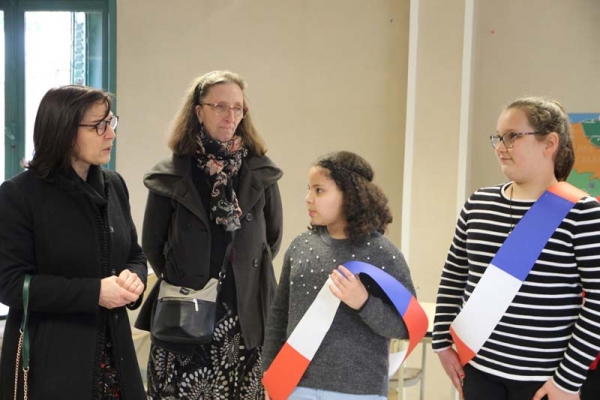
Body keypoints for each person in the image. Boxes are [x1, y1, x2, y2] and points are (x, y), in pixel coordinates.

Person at [432, 97, 600, 400]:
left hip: (545, 381)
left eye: (512, 136)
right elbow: (454, 276)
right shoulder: (478, 204)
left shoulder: (583, 212)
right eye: (497, 137)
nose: (500, 147)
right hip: (478, 373)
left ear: (549, 143)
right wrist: (442, 342)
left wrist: (567, 381)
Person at [139, 70, 283, 399]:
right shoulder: (171, 174)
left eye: (237, 108)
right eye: (219, 106)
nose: (230, 116)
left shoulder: (260, 172)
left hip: (245, 316)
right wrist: (187, 275)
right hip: (185, 314)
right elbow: (153, 245)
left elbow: (270, 240)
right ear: (198, 111)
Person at [0, 85, 147, 399]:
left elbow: (134, 254)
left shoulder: (114, 185)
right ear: (65, 132)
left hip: (116, 358)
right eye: (99, 126)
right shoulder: (19, 195)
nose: (111, 134)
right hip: (53, 365)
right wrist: (95, 293)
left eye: (111, 122)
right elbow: (10, 285)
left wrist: (134, 278)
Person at [262, 151, 416, 400]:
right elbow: (279, 315)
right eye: (309, 189)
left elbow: (406, 326)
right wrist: (269, 370)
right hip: (294, 387)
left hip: (359, 392)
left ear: (350, 194)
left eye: (319, 190)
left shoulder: (383, 254)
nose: (308, 199)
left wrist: (364, 303)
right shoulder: (300, 247)